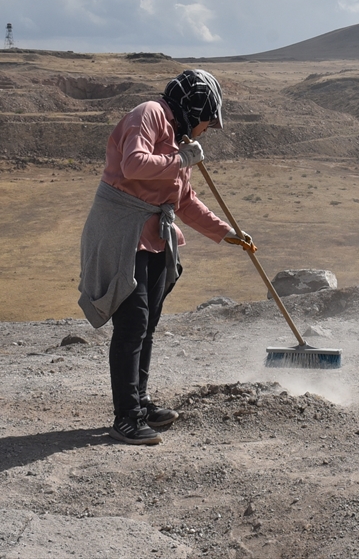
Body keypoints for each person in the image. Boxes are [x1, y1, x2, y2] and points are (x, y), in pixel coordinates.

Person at [78, 69, 251, 445]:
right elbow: (133, 164)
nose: (206, 129)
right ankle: (126, 418)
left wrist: (227, 233)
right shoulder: (151, 114)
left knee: (148, 323)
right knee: (133, 323)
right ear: (194, 107)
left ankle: (139, 402)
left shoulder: (178, 136)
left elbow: (183, 201)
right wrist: (181, 159)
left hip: (154, 235)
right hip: (122, 231)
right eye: (207, 120)